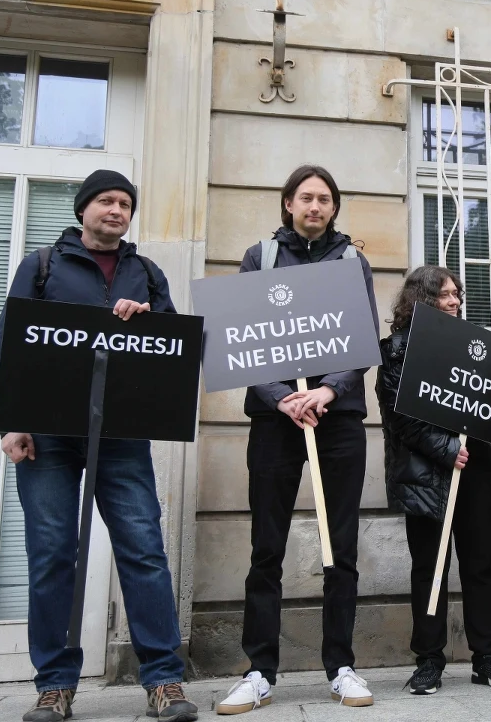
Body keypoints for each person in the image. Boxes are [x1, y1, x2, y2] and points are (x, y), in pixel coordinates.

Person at [0, 170, 198, 722]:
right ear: (84, 209)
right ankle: (55, 685)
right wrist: (7, 423)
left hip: (123, 435)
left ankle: (164, 682)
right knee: (53, 553)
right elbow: (8, 342)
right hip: (49, 437)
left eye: (126, 203)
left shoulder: (146, 273)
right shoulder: (42, 265)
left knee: (144, 550)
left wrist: (150, 322)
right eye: (106, 200)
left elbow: (177, 351)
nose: (117, 210)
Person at [217, 165, 379, 714]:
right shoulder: (259, 258)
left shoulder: (352, 262)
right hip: (274, 423)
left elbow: (363, 345)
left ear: (335, 208)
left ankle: (341, 665)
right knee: (267, 548)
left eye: (325, 199)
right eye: (306, 197)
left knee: (342, 548)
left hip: (338, 422)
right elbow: (238, 339)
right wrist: (281, 396)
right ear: (288, 203)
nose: (315, 206)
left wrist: (328, 393)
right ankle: (259, 670)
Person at [375, 265, 491, 695]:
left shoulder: (473, 347)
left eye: (457, 294)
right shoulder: (396, 350)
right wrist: (443, 448)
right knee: (430, 568)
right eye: (444, 295)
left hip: (474, 468)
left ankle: (487, 657)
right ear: (421, 299)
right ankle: (429, 660)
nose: (455, 301)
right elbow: (398, 415)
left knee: (480, 565)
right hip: (424, 472)